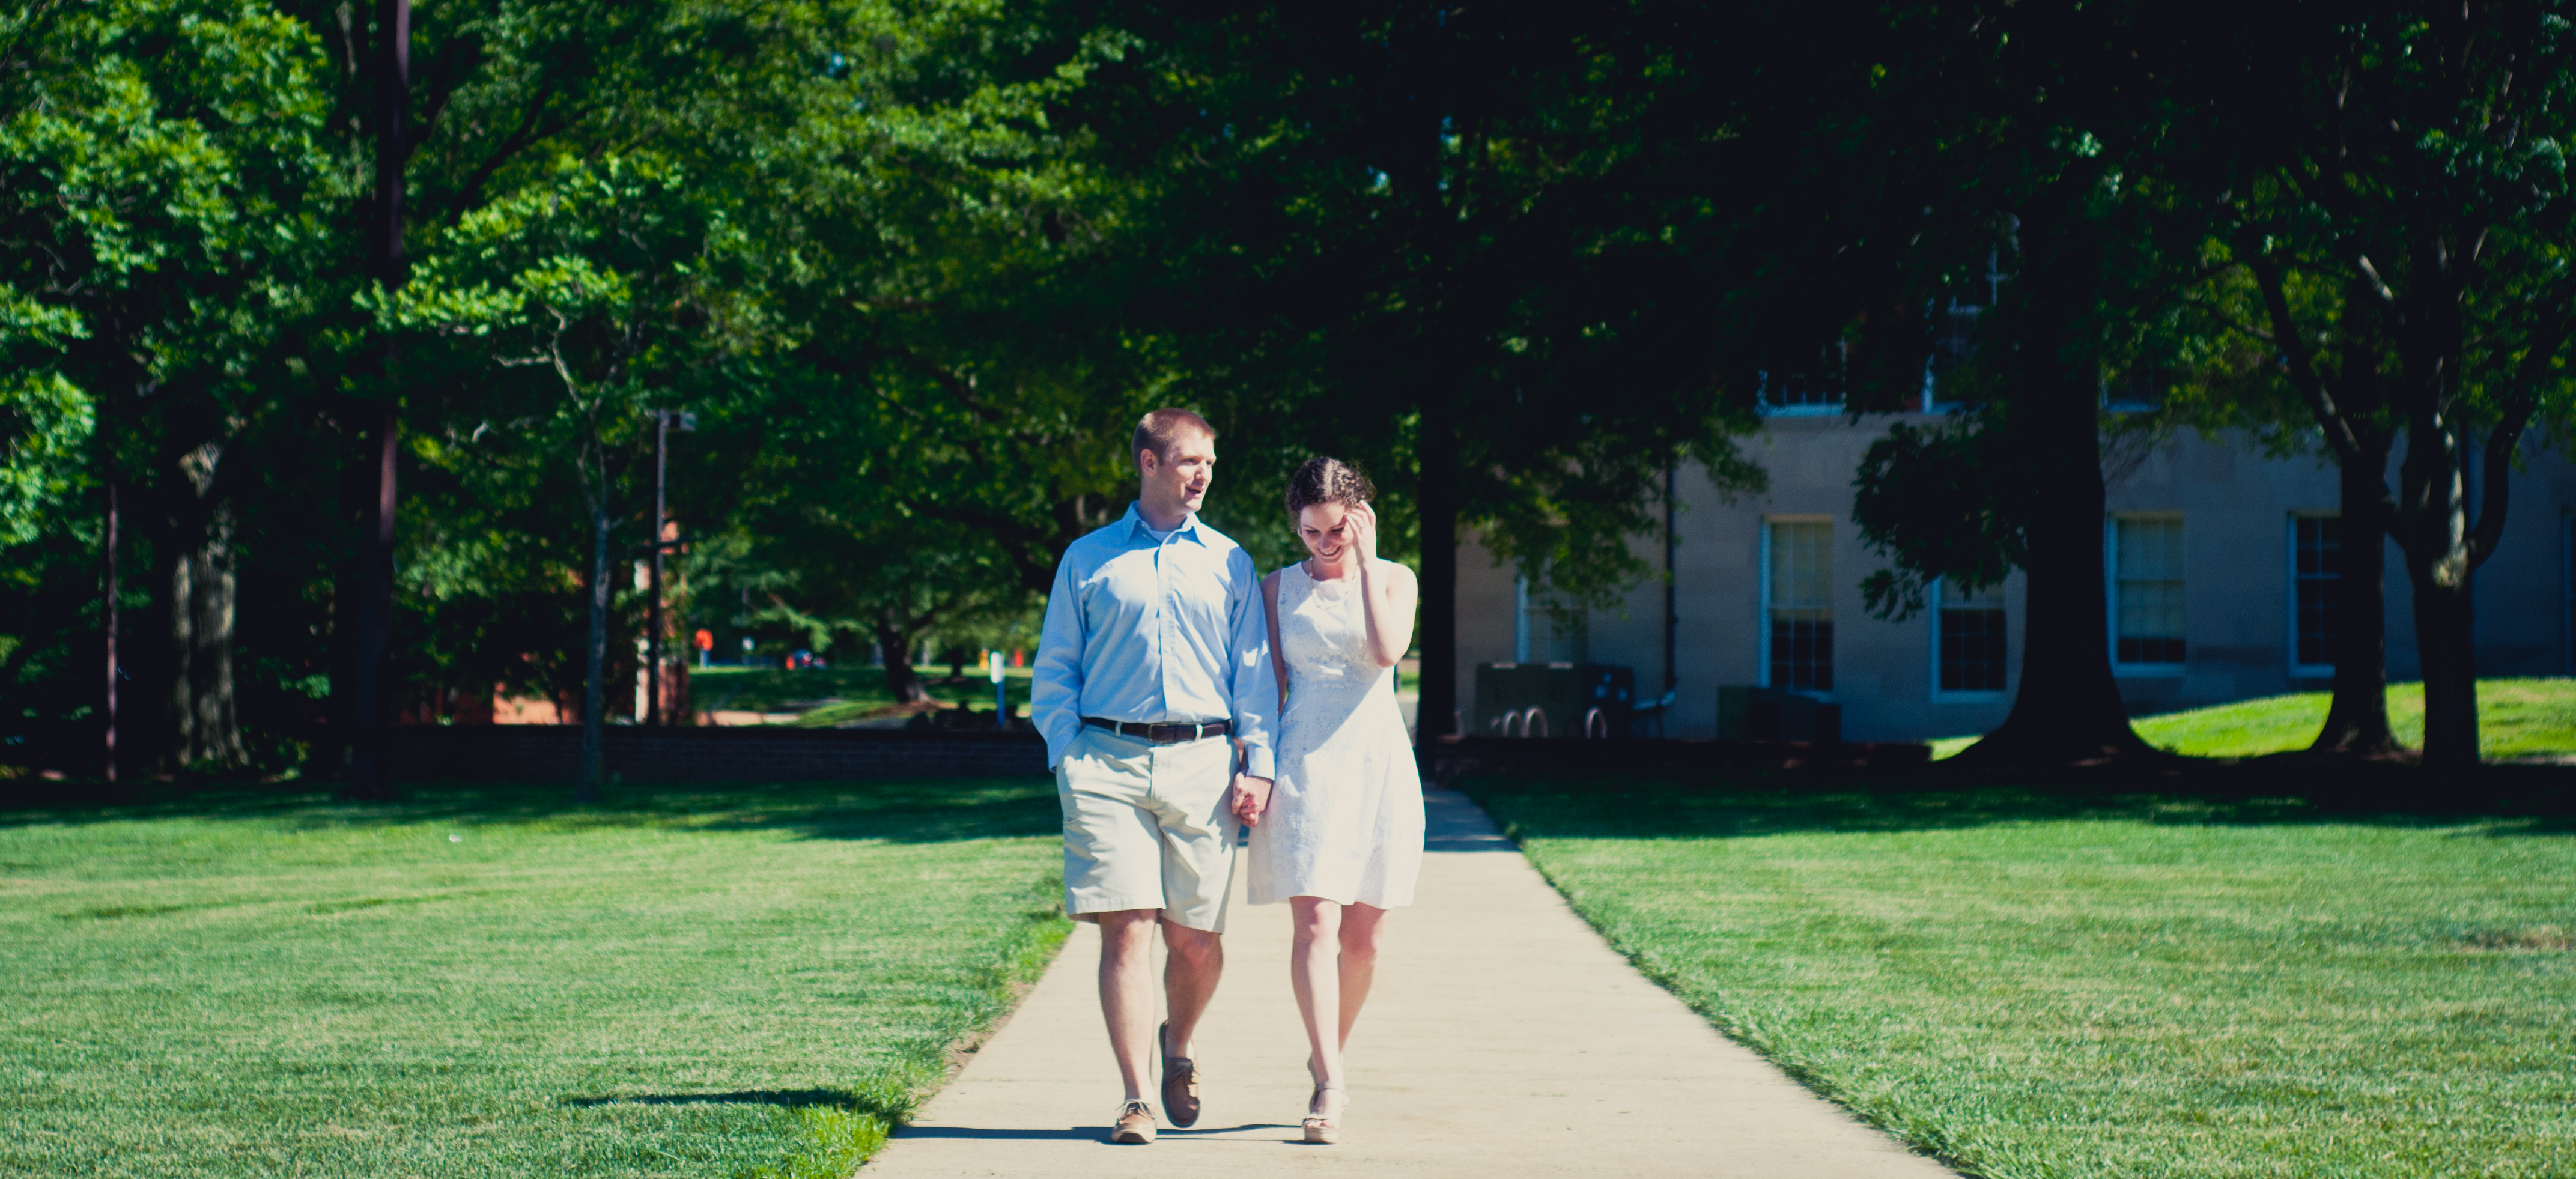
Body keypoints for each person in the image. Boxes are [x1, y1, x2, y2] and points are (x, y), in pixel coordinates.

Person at [1031, 408, 1280, 1146]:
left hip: (1203, 763)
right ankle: (1135, 1097)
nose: (1202, 474)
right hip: (1103, 761)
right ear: (1147, 462)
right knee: (1127, 930)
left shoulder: (1230, 561)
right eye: (1187, 461)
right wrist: (1067, 752)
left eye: (1208, 461)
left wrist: (1257, 765)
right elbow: (1055, 671)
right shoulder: (1087, 557)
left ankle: (1180, 1044)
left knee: (1194, 938)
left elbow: (1254, 677)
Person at [1240, 456, 1424, 1146]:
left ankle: (1326, 1054)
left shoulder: (1396, 579)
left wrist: (1368, 564)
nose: (1323, 544)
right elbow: (1268, 690)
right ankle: (1331, 1083)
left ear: (1361, 518)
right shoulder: (1276, 588)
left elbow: (1384, 653)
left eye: (1336, 530)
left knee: (1363, 940)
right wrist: (1257, 768)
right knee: (1315, 925)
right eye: (1310, 532)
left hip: (1378, 763)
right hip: (1305, 766)